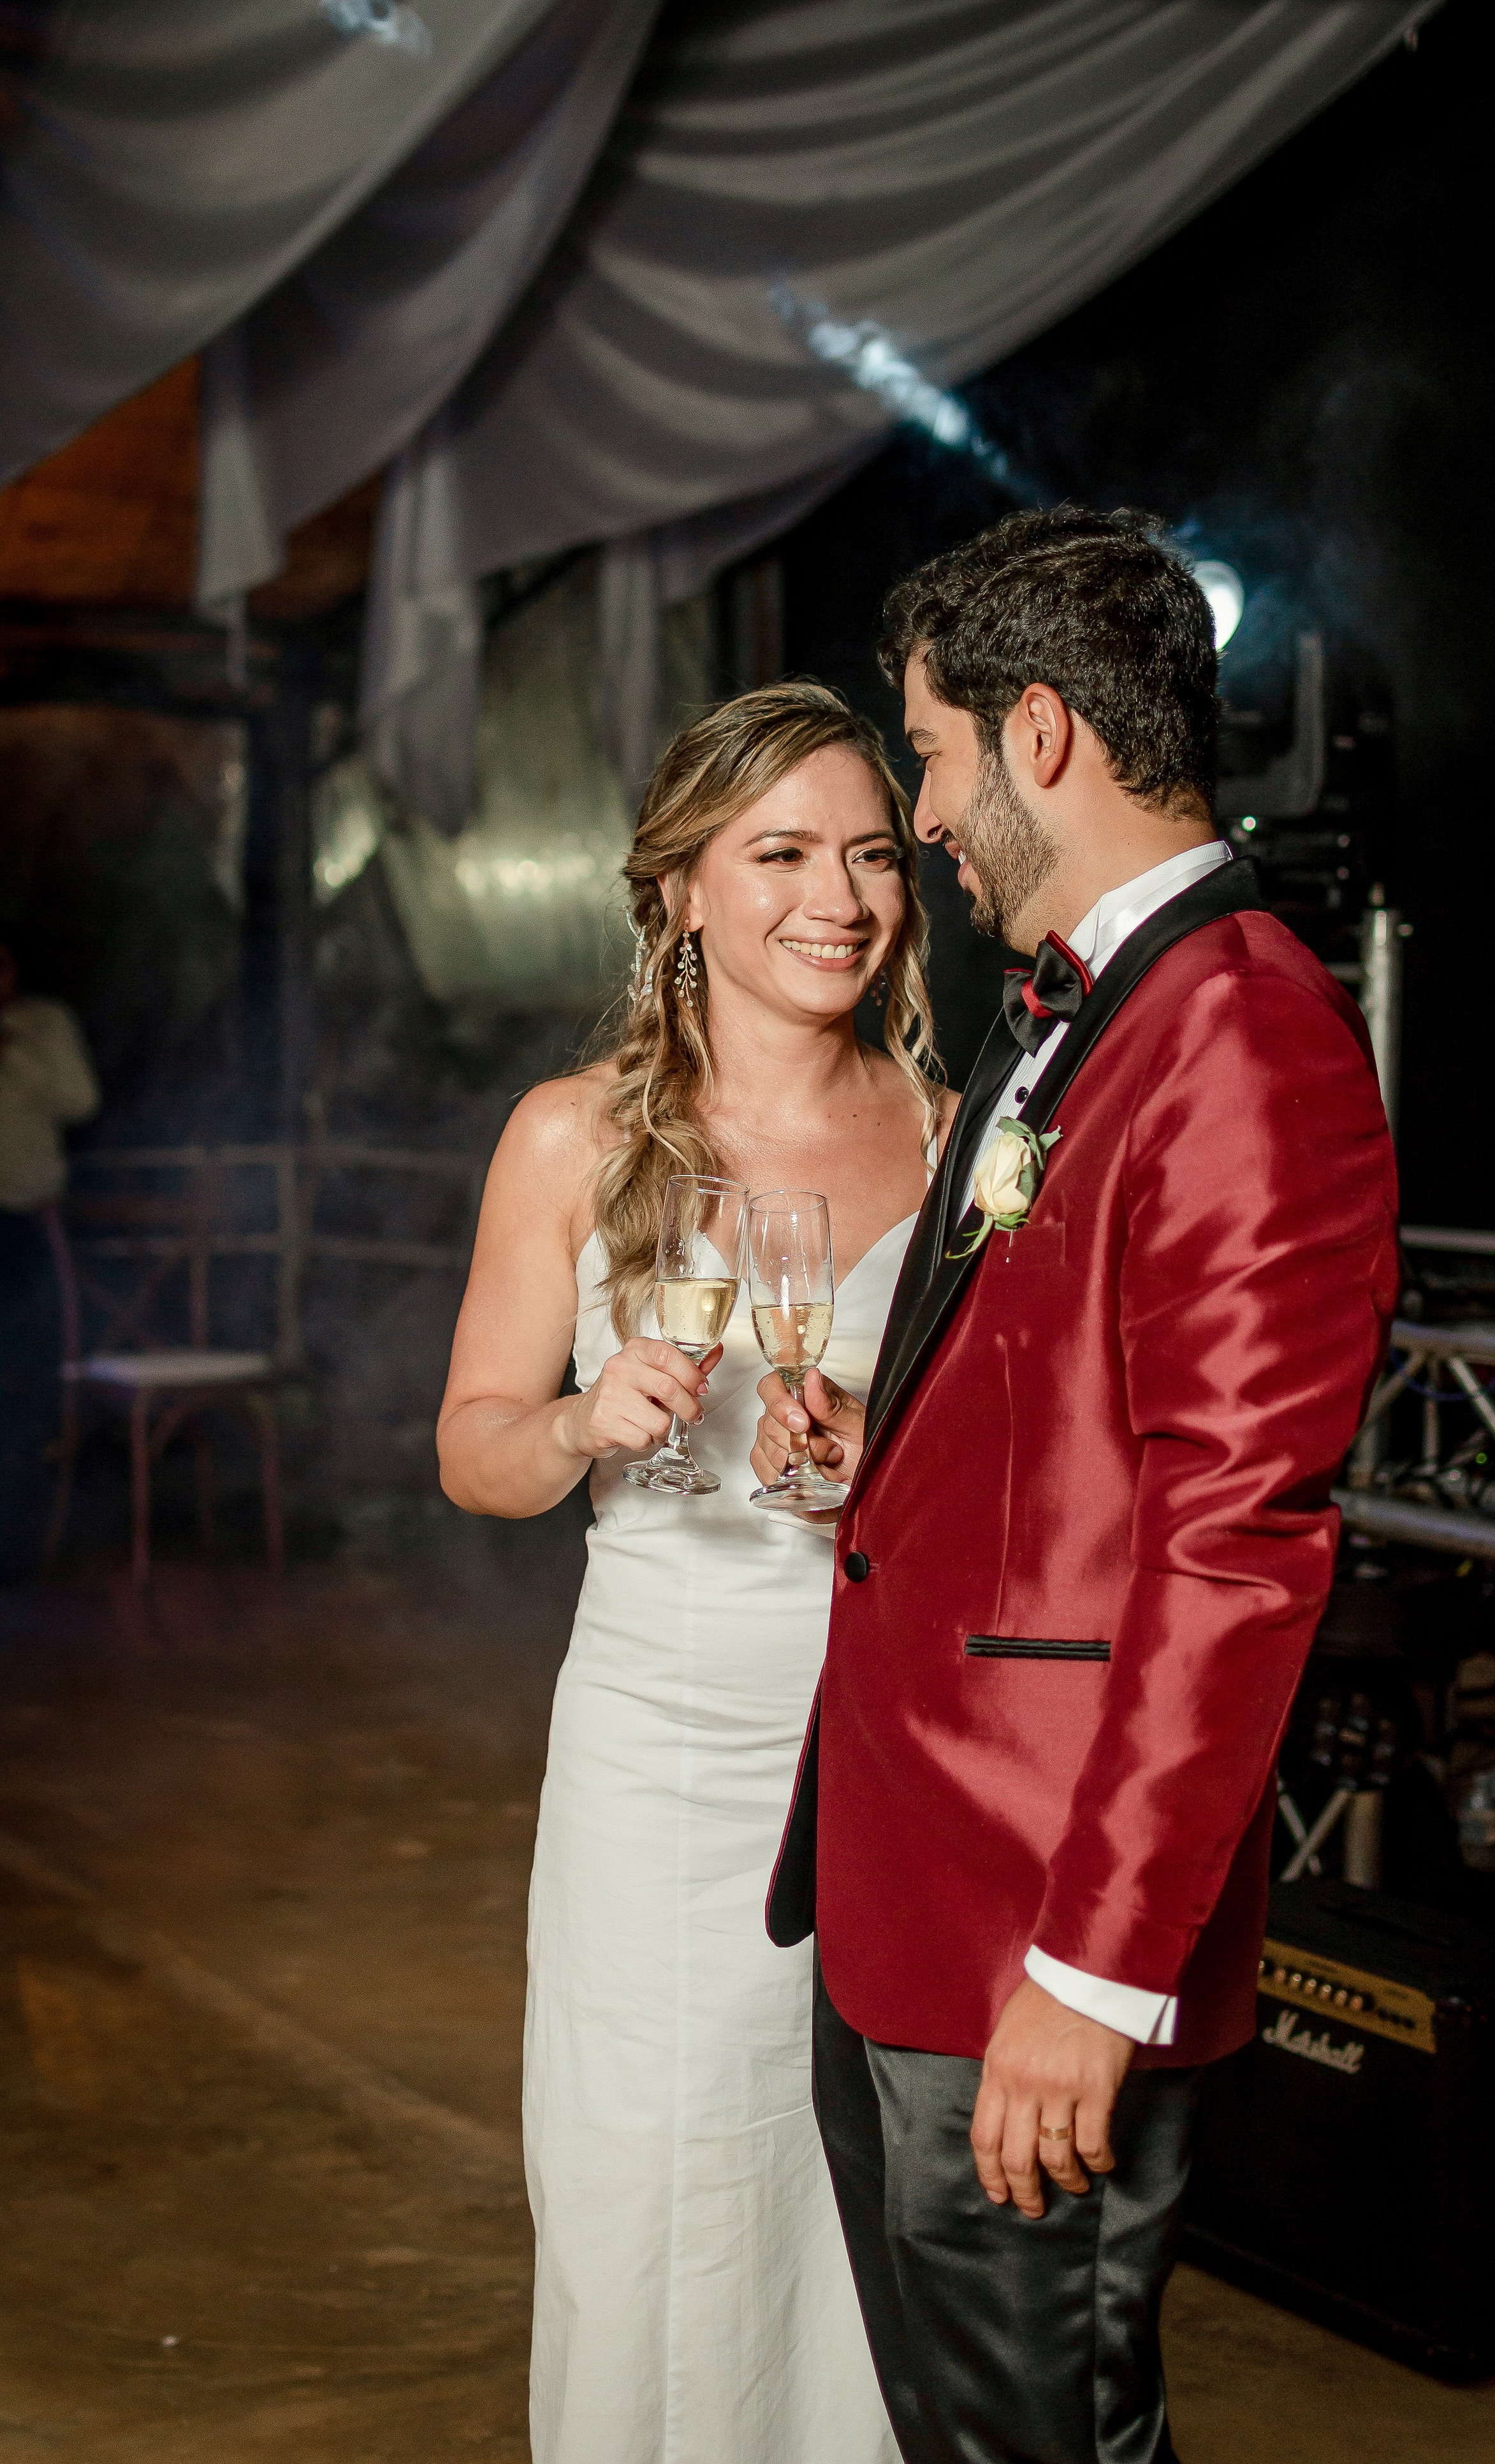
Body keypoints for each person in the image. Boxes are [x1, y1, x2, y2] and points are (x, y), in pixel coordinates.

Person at [752, 509, 1398, 2464]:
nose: (923, 816)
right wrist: (900, 1450)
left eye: (931, 755)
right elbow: (1081, 1431)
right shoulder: (1077, 1013)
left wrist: (1092, 1972)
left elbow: (1237, 1541)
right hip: (911, 1888)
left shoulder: (1243, 1028)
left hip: (1034, 1927)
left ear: (1040, 734)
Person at [437, 683, 954, 2464]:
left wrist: (880, 1453)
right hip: (666, 1758)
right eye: (785, 853)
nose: (841, 897)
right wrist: (584, 1422)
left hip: (898, 1752)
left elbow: (1019, 1479)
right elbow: (474, 1449)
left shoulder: (960, 1142)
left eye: (875, 852)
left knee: (865, 2219)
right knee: (664, 2202)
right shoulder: (573, 1137)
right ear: (681, 893)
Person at [0, 944, 100, 1582]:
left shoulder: (44, 1026)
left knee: (33, 1383)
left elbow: (81, 1100)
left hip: (24, 1226)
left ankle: (26, 1549)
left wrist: (15, 1051)